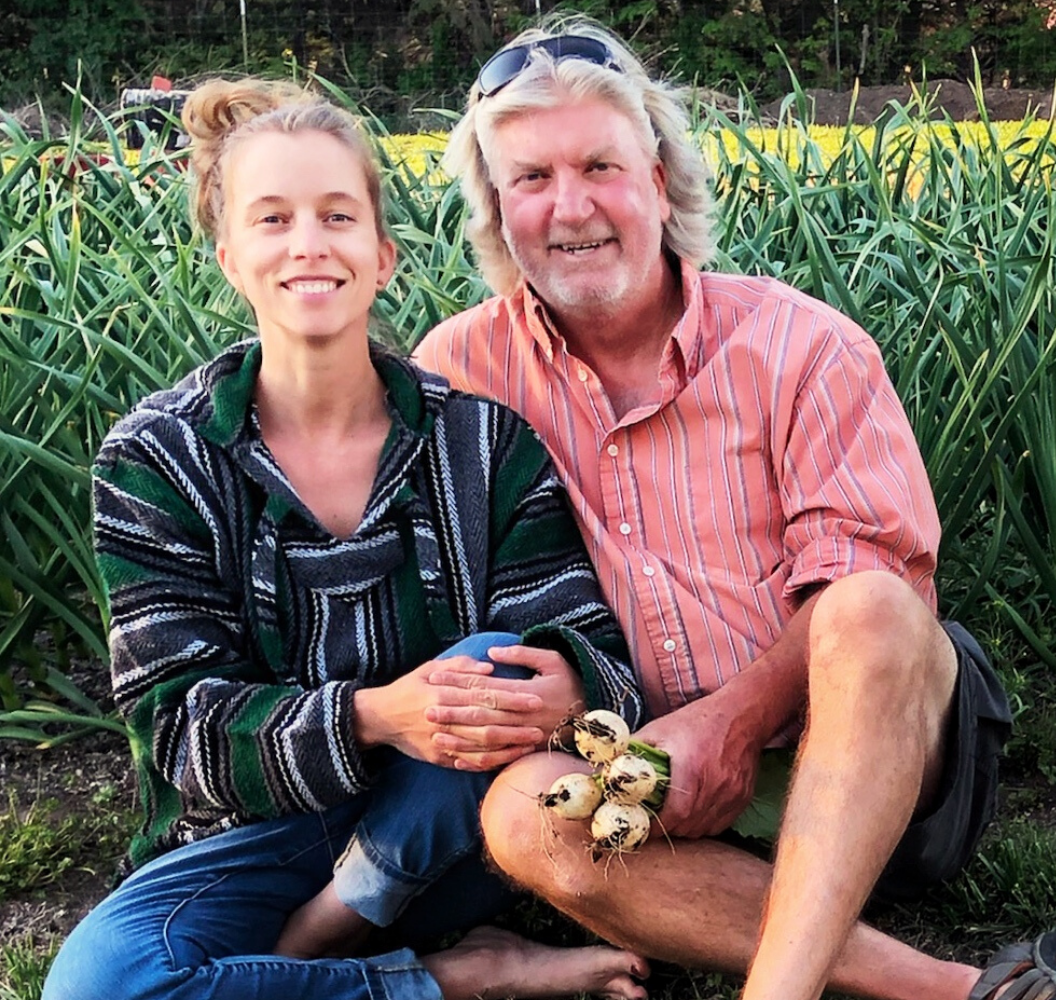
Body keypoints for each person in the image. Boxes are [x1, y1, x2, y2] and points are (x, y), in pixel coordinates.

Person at [412, 18, 1056, 1000]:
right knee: (521, 814)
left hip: (876, 763)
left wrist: (729, 725)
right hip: (643, 772)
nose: (570, 208)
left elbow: (883, 578)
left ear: (659, 177)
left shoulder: (802, 345)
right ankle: (951, 988)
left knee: (865, 605)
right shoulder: (458, 372)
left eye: (600, 164)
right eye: (530, 178)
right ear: (494, 206)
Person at [45, 77, 652, 1000]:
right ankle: (457, 977)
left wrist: (564, 678)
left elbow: (598, 663)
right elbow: (172, 722)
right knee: (99, 986)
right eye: (273, 219)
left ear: (383, 254)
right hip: (253, 843)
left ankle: (321, 943)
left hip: (457, 833)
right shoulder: (159, 456)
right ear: (228, 256)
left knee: (493, 659)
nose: (308, 245)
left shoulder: (482, 444)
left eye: (336, 216)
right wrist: (376, 715)